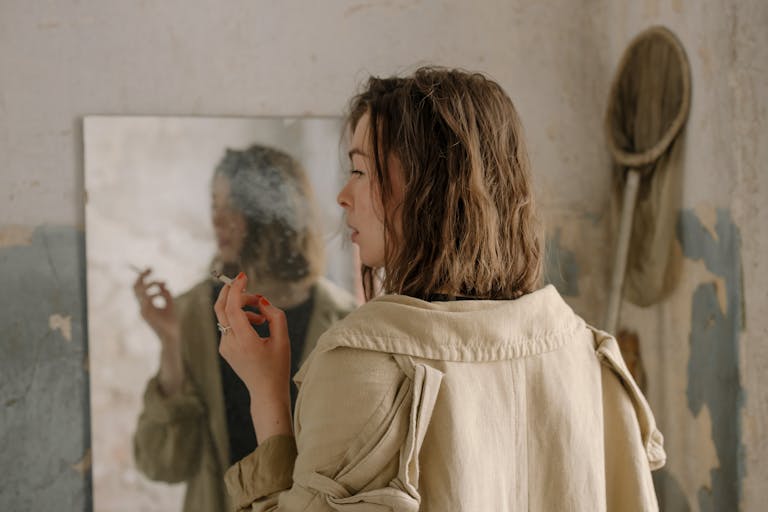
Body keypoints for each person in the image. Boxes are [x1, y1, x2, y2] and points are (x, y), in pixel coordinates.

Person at [215, 68, 666, 511]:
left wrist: (267, 394)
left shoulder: (364, 363)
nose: (342, 196)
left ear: (429, 187)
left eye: (359, 170)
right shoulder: (589, 355)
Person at [132, 144, 357, 512]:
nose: (218, 220)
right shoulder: (188, 314)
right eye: (214, 204)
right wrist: (171, 343)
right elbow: (163, 465)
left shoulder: (344, 321)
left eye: (233, 205)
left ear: (277, 212)